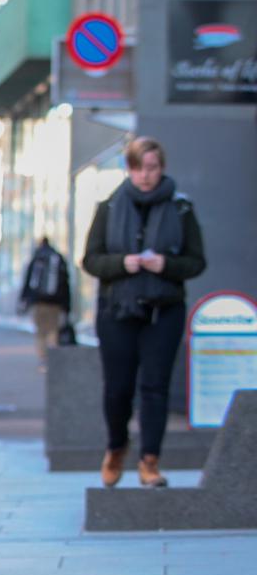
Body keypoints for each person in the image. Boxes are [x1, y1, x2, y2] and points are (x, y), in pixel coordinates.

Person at [82, 136, 206, 489]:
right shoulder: (110, 207)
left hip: (163, 310)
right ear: (128, 169)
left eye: (151, 167)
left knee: (155, 387)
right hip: (117, 310)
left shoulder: (181, 209)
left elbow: (197, 262)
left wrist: (165, 264)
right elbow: (91, 260)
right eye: (138, 168)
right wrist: (124, 263)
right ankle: (116, 447)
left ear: (161, 168)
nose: (145, 175)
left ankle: (150, 461)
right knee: (118, 390)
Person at [18, 237, 71, 369]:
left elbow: (28, 281)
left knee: (41, 332)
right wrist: (67, 305)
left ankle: (43, 360)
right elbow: (65, 283)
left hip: (38, 302)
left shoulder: (37, 258)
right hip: (55, 303)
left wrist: (24, 300)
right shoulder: (58, 258)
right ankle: (52, 360)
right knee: (53, 331)